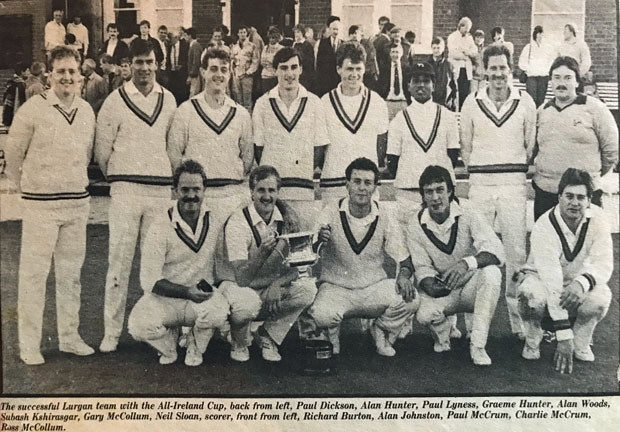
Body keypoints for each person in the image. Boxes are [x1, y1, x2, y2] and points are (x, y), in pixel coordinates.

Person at [4, 46, 96, 365]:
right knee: (34, 275)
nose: (67, 77)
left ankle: (69, 337)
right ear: (49, 75)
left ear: (80, 76)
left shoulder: (86, 110)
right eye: (61, 72)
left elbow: (84, 155)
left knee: (70, 275)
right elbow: (13, 156)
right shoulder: (32, 109)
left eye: (72, 71)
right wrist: (29, 189)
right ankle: (30, 344)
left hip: (75, 204)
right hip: (40, 206)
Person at [95, 39, 178, 353]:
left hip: (159, 192)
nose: (145, 68)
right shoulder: (115, 101)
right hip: (126, 191)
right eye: (139, 62)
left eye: (150, 62)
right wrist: (122, 177)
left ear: (158, 63)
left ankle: (157, 327)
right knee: (118, 262)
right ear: (129, 65)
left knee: (157, 266)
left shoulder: (169, 100)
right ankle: (111, 333)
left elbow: (173, 147)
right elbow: (102, 153)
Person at [301, 158, 419, 356]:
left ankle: (380, 329)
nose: (362, 188)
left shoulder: (385, 214)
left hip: (373, 288)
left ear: (375, 187)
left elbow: (404, 258)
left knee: (411, 299)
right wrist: (319, 240)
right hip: (337, 287)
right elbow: (309, 251)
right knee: (322, 315)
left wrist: (404, 276)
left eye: (367, 183)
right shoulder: (331, 209)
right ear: (347, 185)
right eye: (356, 182)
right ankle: (331, 336)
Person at [460, 44, 537, 339]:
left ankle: (519, 326)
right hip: (480, 184)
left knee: (516, 252)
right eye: (492, 68)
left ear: (511, 68)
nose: (497, 74)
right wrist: (480, 169)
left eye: (502, 68)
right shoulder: (471, 102)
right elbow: (466, 147)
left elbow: (530, 145)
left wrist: (512, 169)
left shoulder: (526, 101)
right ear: (484, 70)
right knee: (478, 251)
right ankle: (472, 326)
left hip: (513, 185)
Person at [127, 160, 230, 366]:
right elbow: (149, 280)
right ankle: (169, 347)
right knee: (138, 325)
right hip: (166, 298)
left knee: (218, 312)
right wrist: (185, 292)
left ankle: (195, 344)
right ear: (174, 191)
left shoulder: (215, 219)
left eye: (196, 189)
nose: (191, 195)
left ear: (204, 190)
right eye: (184, 189)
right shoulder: (159, 225)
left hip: (200, 297)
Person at [215, 165, 317, 362]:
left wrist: (277, 284)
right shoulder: (238, 221)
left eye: (272, 190)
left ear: (278, 192)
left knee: (307, 289)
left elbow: (300, 267)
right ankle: (239, 339)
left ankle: (268, 336)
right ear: (251, 192)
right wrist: (262, 253)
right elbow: (242, 278)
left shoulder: (288, 219)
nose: (267, 196)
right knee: (247, 303)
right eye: (261, 190)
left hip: (268, 287)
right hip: (237, 286)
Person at [517, 169, 612, 373]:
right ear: (559, 197)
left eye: (580, 197)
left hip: (576, 283)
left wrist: (582, 283)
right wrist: (563, 335)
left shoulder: (599, 219)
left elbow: (604, 263)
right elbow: (552, 281)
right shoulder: (544, 225)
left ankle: (582, 340)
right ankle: (533, 338)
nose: (574, 203)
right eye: (569, 196)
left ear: (588, 201)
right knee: (530, 296)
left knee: (600, 298)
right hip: (542, 281)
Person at [408, 165, 504, 365]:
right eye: (429, 192)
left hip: (471, 286)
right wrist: (431, 285)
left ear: (450, 191)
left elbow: (496, 250)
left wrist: (466, 263)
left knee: (492, 274)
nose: (435, 198)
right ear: (423, 196)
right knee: (424, 314)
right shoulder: (415, 223)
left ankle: (478, 345)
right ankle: (444, 334)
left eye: (440, 190)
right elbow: (422, 267)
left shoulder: (468, 210)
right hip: (445, 288)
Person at [168, 48, 253, 219]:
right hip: (200, 197)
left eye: (224, 70)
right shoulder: (186, 110)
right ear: (203, 72)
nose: (219, 75)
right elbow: (174, 155)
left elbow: (247, 159)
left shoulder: (241, 114)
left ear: (230, 73)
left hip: (233, 196)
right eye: (213, 69)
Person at [533, 56, 618, 220]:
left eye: (567, 77)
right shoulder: (542, 111)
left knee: (586, 243)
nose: (561, 83)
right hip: (546, 193)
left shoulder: (595, 109)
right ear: (550, 81)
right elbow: (532, 148)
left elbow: (611, 150)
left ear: (577, 82)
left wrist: (589, 176)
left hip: (584, 195)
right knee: (547, 244)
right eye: (556, 77)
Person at [253, 47, 329, 227]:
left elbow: (319, 147)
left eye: (294, 67)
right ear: (275, 70)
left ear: (301, 69)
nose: (289, 73)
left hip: (303, 190)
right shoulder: (262, 104)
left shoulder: (314, 103)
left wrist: (302, 171)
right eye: (284, 68)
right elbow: (259, 148)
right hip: (272, 195)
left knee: (301, 246)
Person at [387, 62, 458, 228]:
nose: (420, 85)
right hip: (408, 194)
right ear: (408, 86)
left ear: (433, 86)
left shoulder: (447, 116)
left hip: (438, 194)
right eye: (415, 80)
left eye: (426, 81)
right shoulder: (399, 119)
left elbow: (453, 156)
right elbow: (392, 161)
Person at [319, 43, 388, 200]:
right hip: (333, 183)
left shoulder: (377, 102)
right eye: (349, 69)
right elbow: (320, 147)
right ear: (339, 69)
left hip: (366, 187)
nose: (354, 74)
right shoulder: (325, 102)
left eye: (358, 69)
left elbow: (381, 146)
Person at [518, 26, 554, 108]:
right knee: (531, 100)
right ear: (536, 35)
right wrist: (530, 69)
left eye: (542, 35)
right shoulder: (528, 47)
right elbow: (521, 62)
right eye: (539, 34)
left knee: (541, 101)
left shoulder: (548, 48)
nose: (541, 37)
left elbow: (551, 61)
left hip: (543, 77)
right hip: (531, 78)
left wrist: (545, 70)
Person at [447, 17, 478, 111]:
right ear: (461, 26)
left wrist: (466, 51)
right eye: (466, 28)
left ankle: (462, 112)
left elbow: (475, 51)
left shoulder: (469, 38)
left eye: (469, 28)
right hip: (455, 68)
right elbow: (453, 52)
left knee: (465, 92)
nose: (468, 30)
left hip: (466, 70)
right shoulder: (452, 37)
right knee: (454, 92)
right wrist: (464, 56)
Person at [231, 25, 259, 113]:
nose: (242, 34)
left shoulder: (252, 46)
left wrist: (248, 72)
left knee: (247, 99)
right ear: (238, 34)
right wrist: (233, 70)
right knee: (238, 98)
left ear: (247, 34)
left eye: (244, 32)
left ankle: (248, 118)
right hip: (236, 75)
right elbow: (231, 60)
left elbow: (255, 61)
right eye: (240, 32)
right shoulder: (234, 47)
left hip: (247, 76)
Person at [380, 44, 410, 120]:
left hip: (403, 102)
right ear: (390, 54)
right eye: (393, 52)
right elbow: (380, 85)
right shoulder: (385, 68)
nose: (395, 54)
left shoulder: (406, 68)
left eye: (397, 52)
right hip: (389, 101)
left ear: (401, 53)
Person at [315, 16, 342, 96]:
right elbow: (319, 64)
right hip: (326, 81)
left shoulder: (343, 44)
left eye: (337, 29)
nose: (336, 32)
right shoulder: (322, 43)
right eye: (334, 29)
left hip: (338, 80)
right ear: (329, 29)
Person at [428, 36, 457, 110]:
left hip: (445, 102)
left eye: (438, 48)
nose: (436, 50)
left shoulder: (449, 65)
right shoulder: (427, 65)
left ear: (443, 48)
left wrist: (453, 99)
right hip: (431, 101)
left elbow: (453, 85)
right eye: (434, 48)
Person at [2, 62, 29, 126]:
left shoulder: (11, 82)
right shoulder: (19, 85)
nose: (29, 73)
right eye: (28, 71)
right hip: (13, 116)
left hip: (7, 113)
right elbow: (19, 102)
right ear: (22, 72)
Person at [260, 27, 284, 96]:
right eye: (270, 38)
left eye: (273, 38)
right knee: (266, 96)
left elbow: (278, 63)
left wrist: (271, 63)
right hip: (265, 76)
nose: (271, 40)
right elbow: (262, 61)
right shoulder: (265, 48)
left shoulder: (280, 48)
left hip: (275, 76)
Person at [167, 32, 189, 105]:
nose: (169, 41)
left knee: (182, 92)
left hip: (182, 73)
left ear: (176, 38)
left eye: (171, 39)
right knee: (173, 91)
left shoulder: (184, 46)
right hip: (172, 73)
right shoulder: (170, 47)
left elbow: (187, 59)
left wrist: (182, 65)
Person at [293, 24, 316, 93]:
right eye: (295, 32)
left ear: (302, 33)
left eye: (298, 32)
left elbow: (310, 61)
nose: (296, 34)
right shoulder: (294, 44)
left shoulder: (307, 45)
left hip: (306, 74)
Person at [186, 28, 203, 97]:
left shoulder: (195, 45)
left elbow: (196, 62)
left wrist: (191, 75)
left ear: (190, 36)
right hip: (194, 75)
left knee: (194, 93)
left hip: (195, 76)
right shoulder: (193, 45)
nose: (185, 38)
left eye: (185, 35)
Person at [471, 29, 485, 94]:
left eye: (481, 37)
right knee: (473, 93)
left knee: (481, 94)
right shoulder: (472, 48)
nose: (479, 39)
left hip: (483, 76)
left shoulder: (485, 50)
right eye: (477, 37)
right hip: (474, 76)